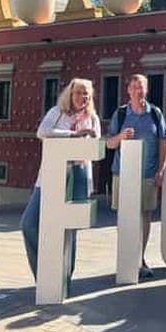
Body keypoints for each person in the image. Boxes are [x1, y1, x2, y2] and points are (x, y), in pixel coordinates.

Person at [20, 78, 101, 281]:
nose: (82, 97)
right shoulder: (57, 113)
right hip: (50, 175)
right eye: (78, 93)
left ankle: (64, 278)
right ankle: (44, 274)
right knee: (29, 223)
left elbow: (96, 146)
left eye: (86, 94)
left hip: (79, 174)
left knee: (68, 230)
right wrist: (73, 134)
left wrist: (89, 136)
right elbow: (42, 132)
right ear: (70, 94)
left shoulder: (92, 118)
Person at [105, 74, 166, 279]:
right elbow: (109, 144)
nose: (138, 91)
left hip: (147, 174)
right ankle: (126, 258)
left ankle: (139, 259)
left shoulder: (155, 114)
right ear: (128, 91)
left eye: (141, 87)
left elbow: (164, 141)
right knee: (123, 217)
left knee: (145, 216)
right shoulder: (121, 114)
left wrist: (161, 170)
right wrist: (121, 136)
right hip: (122, 174)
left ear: (147, 90)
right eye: (134, 87)